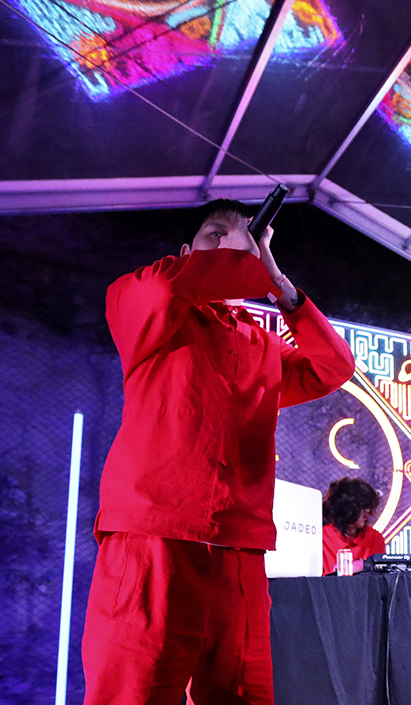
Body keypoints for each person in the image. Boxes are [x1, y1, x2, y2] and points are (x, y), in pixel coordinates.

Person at [82, 199, 356, 705]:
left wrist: (280, 286)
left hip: (239, 548)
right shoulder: (144, 307)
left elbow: (332, 367)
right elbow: (166, 287)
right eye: (215, 234)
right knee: (133, 692)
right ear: (187, 252)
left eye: (243, 236)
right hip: (155, 535)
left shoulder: (260, 345)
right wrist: (240, 260)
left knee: (243, 695)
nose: (232, 244)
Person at [321, 477, 387, 575]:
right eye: (362, 506)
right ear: (346, 508)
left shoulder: (375, 538)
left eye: (368, 506)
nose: (368, 511)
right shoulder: (322, 538)